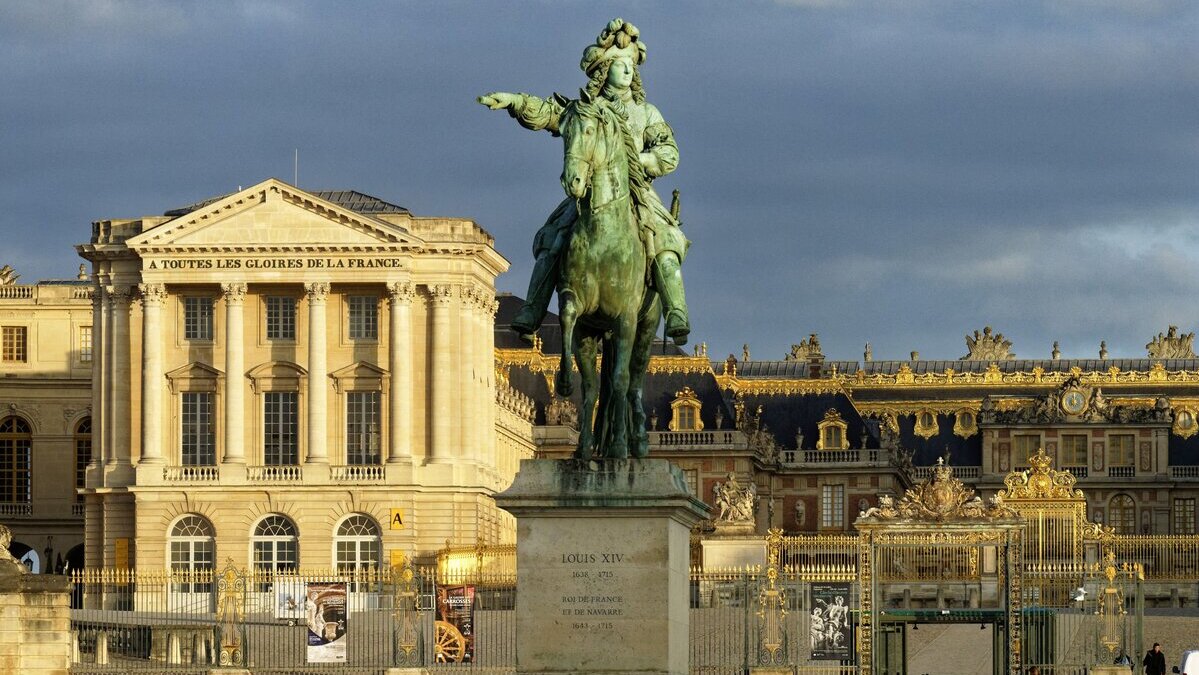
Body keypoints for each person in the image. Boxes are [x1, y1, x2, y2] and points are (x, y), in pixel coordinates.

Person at [479, 18, 691, 345]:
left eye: (630, 66)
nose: (627, 71)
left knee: (665, 240)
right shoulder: (585, 110)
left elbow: (669, 153)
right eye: (619, 65)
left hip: (636, 192)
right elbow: (551, 113)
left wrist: (644, 161)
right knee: (553, 238)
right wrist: (516, 101)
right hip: (587, 193)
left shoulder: (646, 113)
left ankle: (676, 309)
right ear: (603, 71)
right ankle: (533, 309)